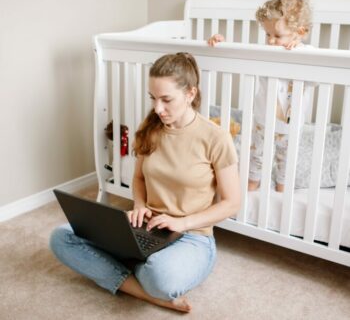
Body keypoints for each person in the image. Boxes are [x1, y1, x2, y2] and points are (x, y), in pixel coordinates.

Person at [49, 52, 241, 313]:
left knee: (161, 277)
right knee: (62, 237)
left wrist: (181, 222)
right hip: (147, 227)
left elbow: (232, 204)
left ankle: (133, 270)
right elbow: (138, 178)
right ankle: (148, 294)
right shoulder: (150, 128)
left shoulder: (216, 138)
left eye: (166, 99)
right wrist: (139, 205)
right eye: (153, 98)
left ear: (190, 94)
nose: (158, 108)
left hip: (192, 236)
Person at [208, 0, 313, 192]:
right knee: (257, 155)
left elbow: (320, 70)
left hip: (291, 124)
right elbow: (239, 57)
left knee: (286, 159)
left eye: (278, 36)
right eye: (267, 34)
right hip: (263, 119)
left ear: (300, 32)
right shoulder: (265, 54)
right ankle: (251, 185)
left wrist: (300, 48)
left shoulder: (308, 55)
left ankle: (282, 188)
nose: (271, 41)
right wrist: (221, 44)